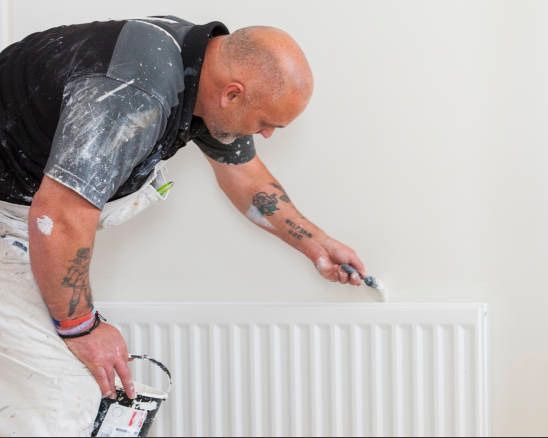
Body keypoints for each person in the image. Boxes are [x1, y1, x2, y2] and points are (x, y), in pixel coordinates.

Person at [0, 15, 368, 435]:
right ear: (233, 94)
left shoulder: (200, 65)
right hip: (27, 218)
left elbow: (244, 175)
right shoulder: (136, 92)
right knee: (65, 396)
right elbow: (59, 216)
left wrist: (316, 244)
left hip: (32, 215)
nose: (266, 135)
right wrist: (82, 328)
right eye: (267, 122)